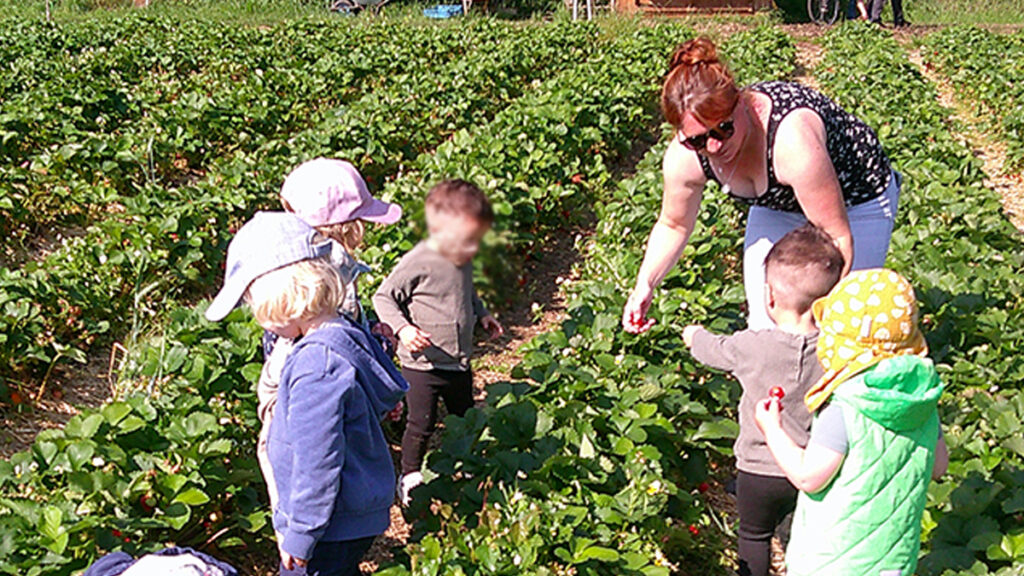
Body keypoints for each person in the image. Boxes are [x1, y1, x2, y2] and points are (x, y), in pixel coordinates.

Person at [622, 37, 902, 334]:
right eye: (698, 139)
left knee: (838, 323)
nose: (714, 146)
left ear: (743, 103)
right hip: (778, 203)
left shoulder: (791, 141)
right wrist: (645, 284)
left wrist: (825, 314)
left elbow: (837, 237)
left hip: (856, 197)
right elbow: (674, 225)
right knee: (765, 321)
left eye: (724, 128)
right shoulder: (685, 157)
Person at [205, 212, 407, 576]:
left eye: (253, 302)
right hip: (348, 513)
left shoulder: (316, 366)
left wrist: (300, 534)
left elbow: (318, 461)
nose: (256, 316)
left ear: (281, 296)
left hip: (329, 523)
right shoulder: (340, 333)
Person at [754, 269, 948, 576]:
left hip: (831, 560)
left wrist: (773, 430)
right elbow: (938, 467)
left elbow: (809, 477)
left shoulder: (846, 405)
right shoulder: (921, 399)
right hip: (893, 560)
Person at [682, 225, 844, 576]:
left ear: (769, 296)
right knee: (799, 538)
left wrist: (693, 334)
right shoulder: (837, 352)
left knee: (753, 536)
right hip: (810, 466)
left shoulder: (751, 345)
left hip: (756, 468)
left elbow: (711, 350)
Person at [254, 158, 402, 509]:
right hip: (314, 405)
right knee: (318, 479)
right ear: (348, 227)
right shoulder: (332, 282)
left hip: (299, 396)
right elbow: (333, 352)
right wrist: (381, 352)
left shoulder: (291, 269)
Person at [372, 179, 504, 505]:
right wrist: (403, 329)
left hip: (458, 358)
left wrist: (483, 314)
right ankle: (410, 476)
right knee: (422, 422)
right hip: (422, 362)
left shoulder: (464, 257)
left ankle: (471, 466)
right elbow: (384, 296)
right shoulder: (420, 259)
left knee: (465, 414)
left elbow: (466, 293)